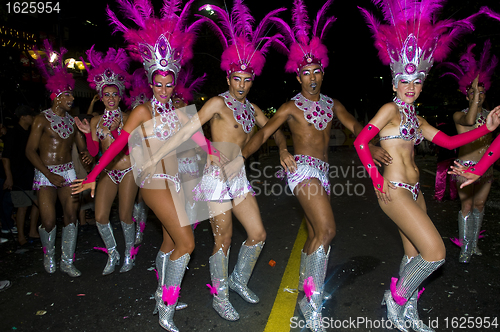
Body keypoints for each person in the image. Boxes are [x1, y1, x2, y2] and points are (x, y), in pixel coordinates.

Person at [213, 1, 391, 330]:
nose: (311, 77)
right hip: (302, 171)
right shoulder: (290, 106)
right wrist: (238, 159)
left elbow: (354, 126)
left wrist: (373, 141)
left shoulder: (332, 103)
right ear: (298, 74)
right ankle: (311, 309)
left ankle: (307, 296)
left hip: (322, 173)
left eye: (316, 71)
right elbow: (264, 131)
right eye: (305, 73)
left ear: (323, 72)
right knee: (327, 231)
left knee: (313, 236)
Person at [140, 0, 288, 322]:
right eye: (237, 78)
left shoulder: (252, 110)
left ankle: (237, 280)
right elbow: (187, 130)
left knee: (258, 233)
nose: (242, 85)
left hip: (240, 177)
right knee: (223, 237)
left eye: (247, 80)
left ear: (252, 79)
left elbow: (274, 130)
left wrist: (284, 149)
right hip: (215, 177)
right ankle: (220, 297)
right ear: (229, 76)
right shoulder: (219, 103)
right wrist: (159, 155)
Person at [355, 1, 493, 331]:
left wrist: (486, 129)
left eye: (417, 82)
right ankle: (396, 298)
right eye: (405, 81)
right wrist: (376, 178)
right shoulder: (389, 109)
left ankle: (407, 311)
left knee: (415, 255)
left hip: (415, 191)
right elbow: (361, 142)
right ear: (394, 83)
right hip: (394, 190)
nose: (411, 87)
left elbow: (449, 143)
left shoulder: (417, 118)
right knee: (435, 253)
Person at [72, 1, 205, 330]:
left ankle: (163, 293)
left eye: (169, 83)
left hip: (175, 180)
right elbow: (117, 145)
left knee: (171, 243)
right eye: (158, 83)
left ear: (175, 81)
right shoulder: (143, 111)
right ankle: (166, 309)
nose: (163, 89)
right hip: (153, 180)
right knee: (186, 243)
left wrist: (210, 157)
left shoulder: (178, 109)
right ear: (150, 80)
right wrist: (93, 175)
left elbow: (196, 140)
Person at [26, 39, 91, 277]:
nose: (72, 99)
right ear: (56, 97)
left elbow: (81, 147)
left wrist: (86, 151)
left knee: (71, 217)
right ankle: (49, 255)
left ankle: (67, 261)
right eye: (67, 96)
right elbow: (29, 151)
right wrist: (48, 173)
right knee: (50, 220)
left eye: (72, 96)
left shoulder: (71, 121)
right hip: (46, 172)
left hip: (68, 172)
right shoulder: (41, 119)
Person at [75, 46, 140, 275]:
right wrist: (85, 133)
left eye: (114, 94)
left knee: (124, 214)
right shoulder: (95, 121)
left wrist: (114, 133)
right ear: (100, 97)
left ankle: (129, 254)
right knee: (101, 215)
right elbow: (94, 152)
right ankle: (112, 254)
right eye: (106, 94)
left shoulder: (129, 117)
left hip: (128, 169)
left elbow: (133, 150)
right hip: (107, 172)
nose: (110, 98)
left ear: (120, 96)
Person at [441, 41, 497, 263]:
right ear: (466, 96)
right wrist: (474, 97)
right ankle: (465, 248)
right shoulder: (459, 115)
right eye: (473, 92)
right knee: (466, 205)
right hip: (464, 168)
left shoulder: (493, 116)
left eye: (481, 92)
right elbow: (471, 120)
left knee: (480, 205)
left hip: (487, 169)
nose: (478, 96)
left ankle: (473, 245)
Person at [171, 68, 206, 227]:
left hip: (189, 162)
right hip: (171, 166)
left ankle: (188, 236)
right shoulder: (166, 120)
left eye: (177, 101)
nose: (174, 104)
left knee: (191, 200)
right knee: (176, 203)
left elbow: (200, 140)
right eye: (172, 101)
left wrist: (202, 150)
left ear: (185, 103)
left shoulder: (191, 119)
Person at [2, 105, 40, 246]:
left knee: (37, 203)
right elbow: (6, 158)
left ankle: (32, 231)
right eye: (30, 116)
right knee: (22, 206)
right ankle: (21, 237)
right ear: (23, 117)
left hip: (32, 173)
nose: (32, 118)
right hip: (18, 174)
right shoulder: (13, 133)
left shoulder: (31, 132)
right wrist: (9, 176)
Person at [125, 69, 154, 245]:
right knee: (132, 201)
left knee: (141, 198)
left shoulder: (149, 118)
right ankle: (135, 230)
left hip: (145, 161)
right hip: (129, 163)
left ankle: (139, 231)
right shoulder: (127, 118)